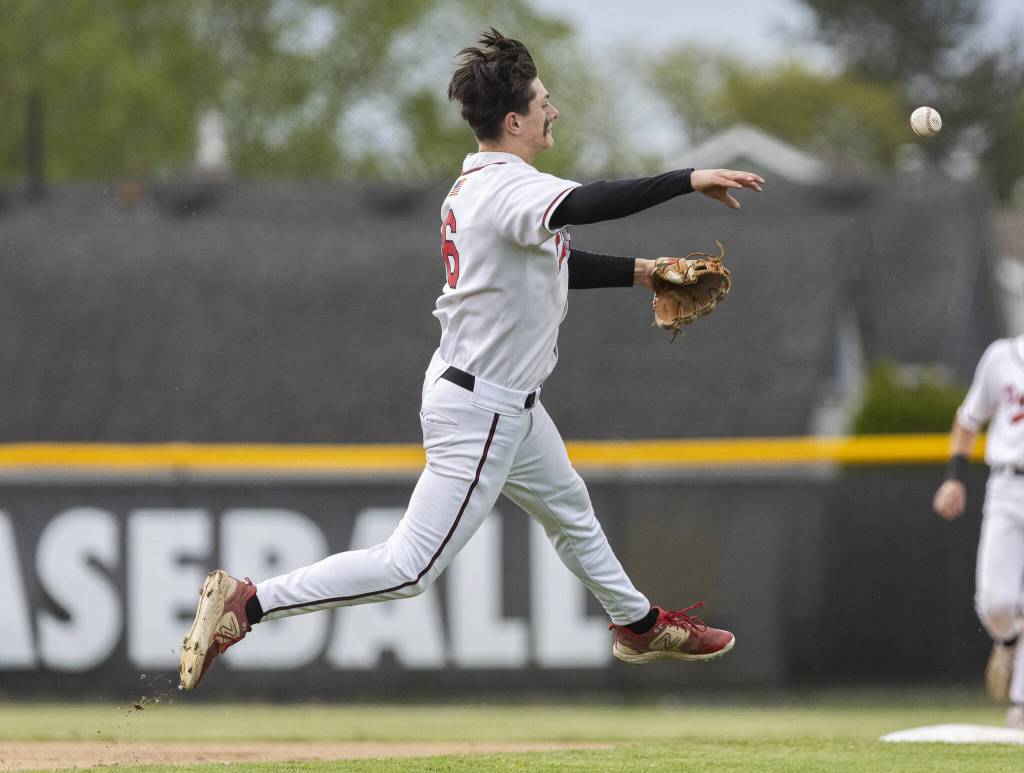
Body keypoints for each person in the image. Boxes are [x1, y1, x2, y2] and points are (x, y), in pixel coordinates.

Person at [180, 28, 764, 689]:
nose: (553, 110)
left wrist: (646, 271)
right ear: (513, 120)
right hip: (484, 406)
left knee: (569, 507)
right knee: (409, 568)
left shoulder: (482, 186)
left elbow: (552, 266)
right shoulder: (509, 190)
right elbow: (589, 202)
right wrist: (687, 179)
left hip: (498, 397)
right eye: (544, 101)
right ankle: (249, 601)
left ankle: (636, 623)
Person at [933, 334, 1024, 729]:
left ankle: (1020, 705)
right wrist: (954, 477)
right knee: (995, 603)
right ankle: (1009, 641)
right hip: (1007, 485)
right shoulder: (1003, 356)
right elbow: (969, 418)